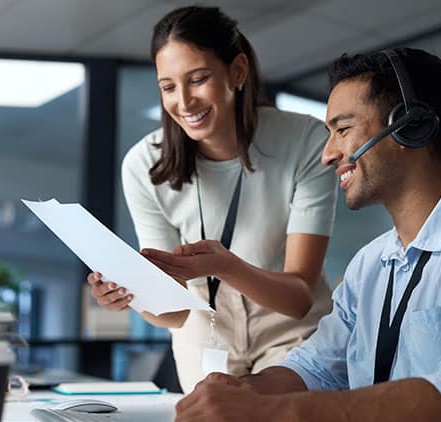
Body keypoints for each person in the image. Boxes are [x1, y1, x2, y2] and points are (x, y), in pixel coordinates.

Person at [174, 48, 441, 422]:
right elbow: (315, 368)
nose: (328, 154)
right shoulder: (372, 264)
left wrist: (281, 415)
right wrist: (242, 394)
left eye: (343, 129)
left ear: (410, 127)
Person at [87, 6, 337, 393]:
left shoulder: (305, 142)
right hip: (207, 339)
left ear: (237, 72)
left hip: (293, 334)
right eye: (168, 86)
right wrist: (130, 294)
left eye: (198, 79)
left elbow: (299, 298)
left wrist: (226, 266)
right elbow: (173, 311)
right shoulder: (144, 164)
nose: (184, 102)